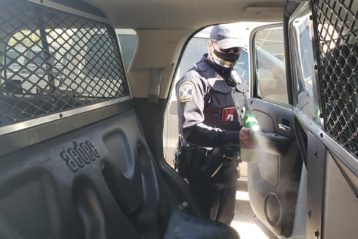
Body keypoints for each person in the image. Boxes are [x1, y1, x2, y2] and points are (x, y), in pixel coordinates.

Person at [175, 24, 254, 225]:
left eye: (236, 50)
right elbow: (191, 130)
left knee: (225, 221)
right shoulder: (194, 79)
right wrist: (235, 137)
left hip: (227, 168)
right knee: (203, 225)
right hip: (203, 171)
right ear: (211, 45)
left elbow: (238, 113)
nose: (231, 54)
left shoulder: (233, 77)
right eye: (226, 49)